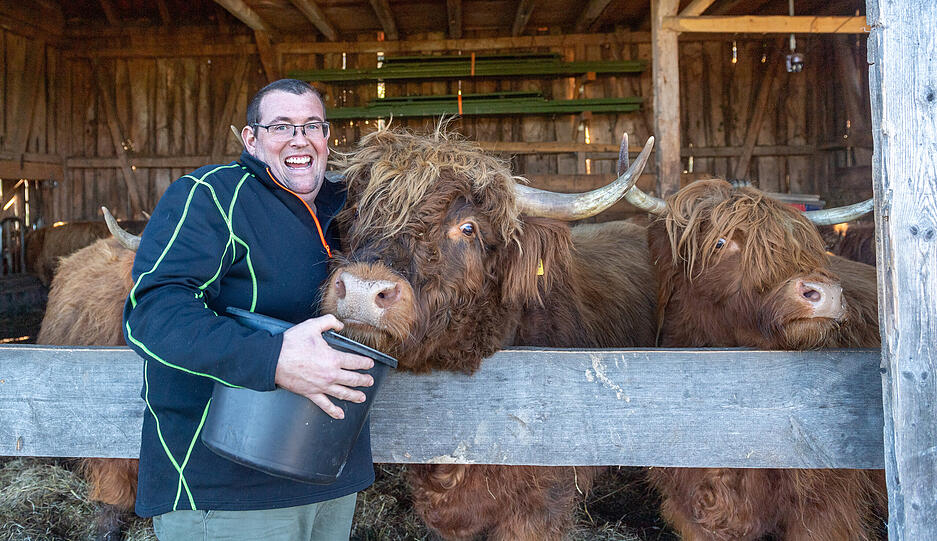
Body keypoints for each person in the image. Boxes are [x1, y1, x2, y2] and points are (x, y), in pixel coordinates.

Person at [123, 78, 375, 540]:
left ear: (326, 138)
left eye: (311, 126)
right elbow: (152, 314)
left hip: (331, 482)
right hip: (226, 492)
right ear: (251, 139)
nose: (299, 139)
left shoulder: (353, 210)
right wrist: (273, 359)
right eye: (281, 126)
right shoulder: (211, 195)